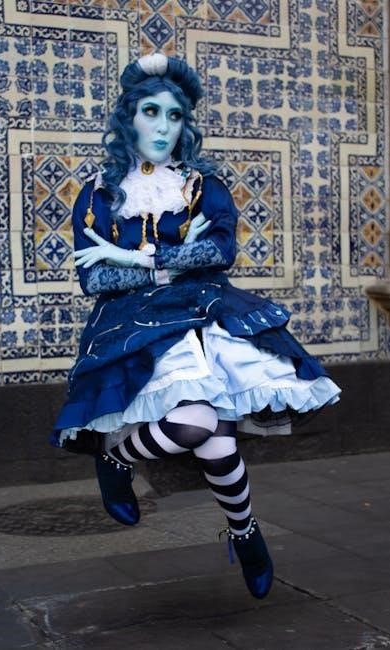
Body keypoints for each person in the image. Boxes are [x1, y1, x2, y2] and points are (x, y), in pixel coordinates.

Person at [50, 53, 341, 600]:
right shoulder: (99, 194)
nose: (163, 126)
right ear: (128, 118)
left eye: (175, 115)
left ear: (185, 123)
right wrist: (177, 256)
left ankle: (243, 532)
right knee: (197, 424)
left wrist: (139, 258)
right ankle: (119, 460)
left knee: (215, 444)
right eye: (151, 111)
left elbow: (221, 251)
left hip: (205, 314)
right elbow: (95, 279)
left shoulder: (204, 185)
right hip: (135, 325)